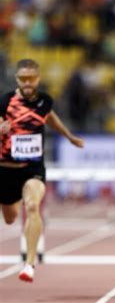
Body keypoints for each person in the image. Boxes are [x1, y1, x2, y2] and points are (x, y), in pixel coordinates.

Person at [0, 59, 84, 282]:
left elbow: (51, 119)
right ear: (17, 79)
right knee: (10, 218)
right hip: (5, 169)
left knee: (32, 205)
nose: (27, 83)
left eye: (31, 78)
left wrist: (69, 137)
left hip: (32, 168)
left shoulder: (45, 101)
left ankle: (29, 264)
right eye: (23, 79)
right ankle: (12, 199)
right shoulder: (5, 101)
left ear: (37, 78)